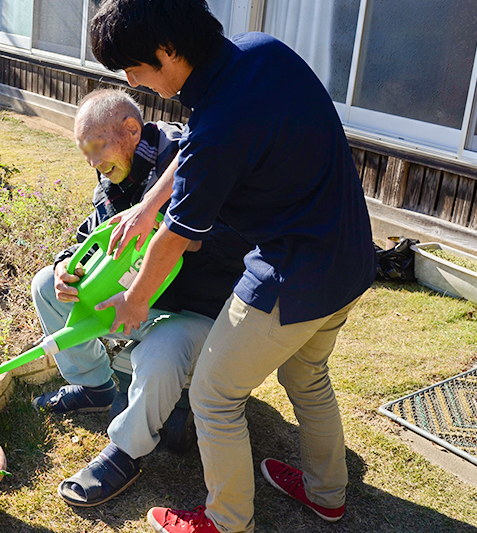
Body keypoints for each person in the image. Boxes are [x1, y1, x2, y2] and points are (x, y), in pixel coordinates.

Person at [87, 1, 378, 532]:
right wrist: (145, 204)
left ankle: (225, 520)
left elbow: (176, 239)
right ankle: (327, 494)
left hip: (292, 272)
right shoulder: (259, 52)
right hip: (350, 257)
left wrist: (134, 301)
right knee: (306, 373)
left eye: (135, 67)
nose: (134, 81)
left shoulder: (221, 121)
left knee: (214, 394)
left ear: (167, 50)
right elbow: (199, 143)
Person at [30, 89, 251, 507]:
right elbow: (93, 236)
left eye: (96, 147)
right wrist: (66, 266)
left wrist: (183, 241)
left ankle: (125, 453)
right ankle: (94, 385)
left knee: (162, 348)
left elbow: (243, 247)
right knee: (45, 283)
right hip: (136, 299)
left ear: (131, 130)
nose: (93, 162)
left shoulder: (195, 160)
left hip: (203, 307)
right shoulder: (113, 176)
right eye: (85, 153)